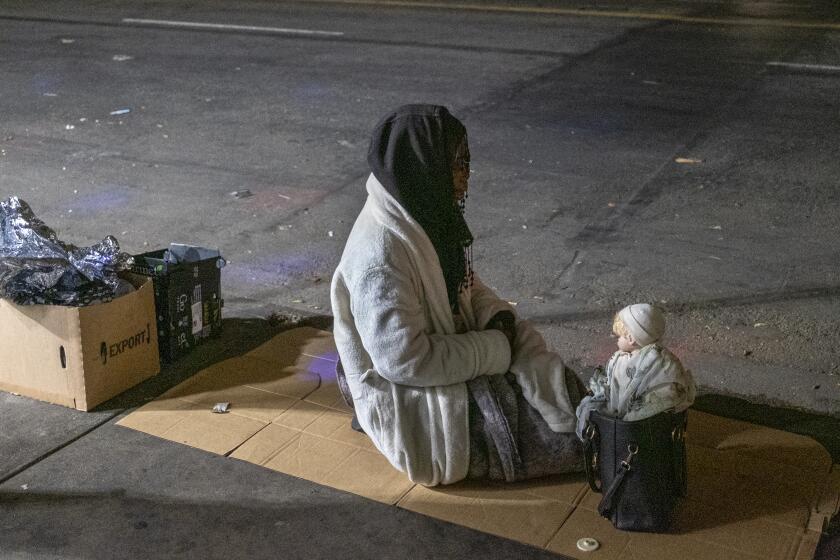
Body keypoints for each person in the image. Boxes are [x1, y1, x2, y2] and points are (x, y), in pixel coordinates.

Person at [331, 104, 584, 486]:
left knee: (563, 389)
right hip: (412, 380)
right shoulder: (379, 257)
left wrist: (498, 319)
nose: (466, 177)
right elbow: (405, 363)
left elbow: (466, 283)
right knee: (551, 438)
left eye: (467, 162)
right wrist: (495, 350)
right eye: (455, 165)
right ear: (422, 167)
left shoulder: (425, 213)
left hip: (450, 353)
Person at [575, 303, 697, 439]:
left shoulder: (660, 363)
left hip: (644, 429)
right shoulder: (623, 357)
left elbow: (663, 397)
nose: (616, 339)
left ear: (631, 339)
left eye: (619, 336)